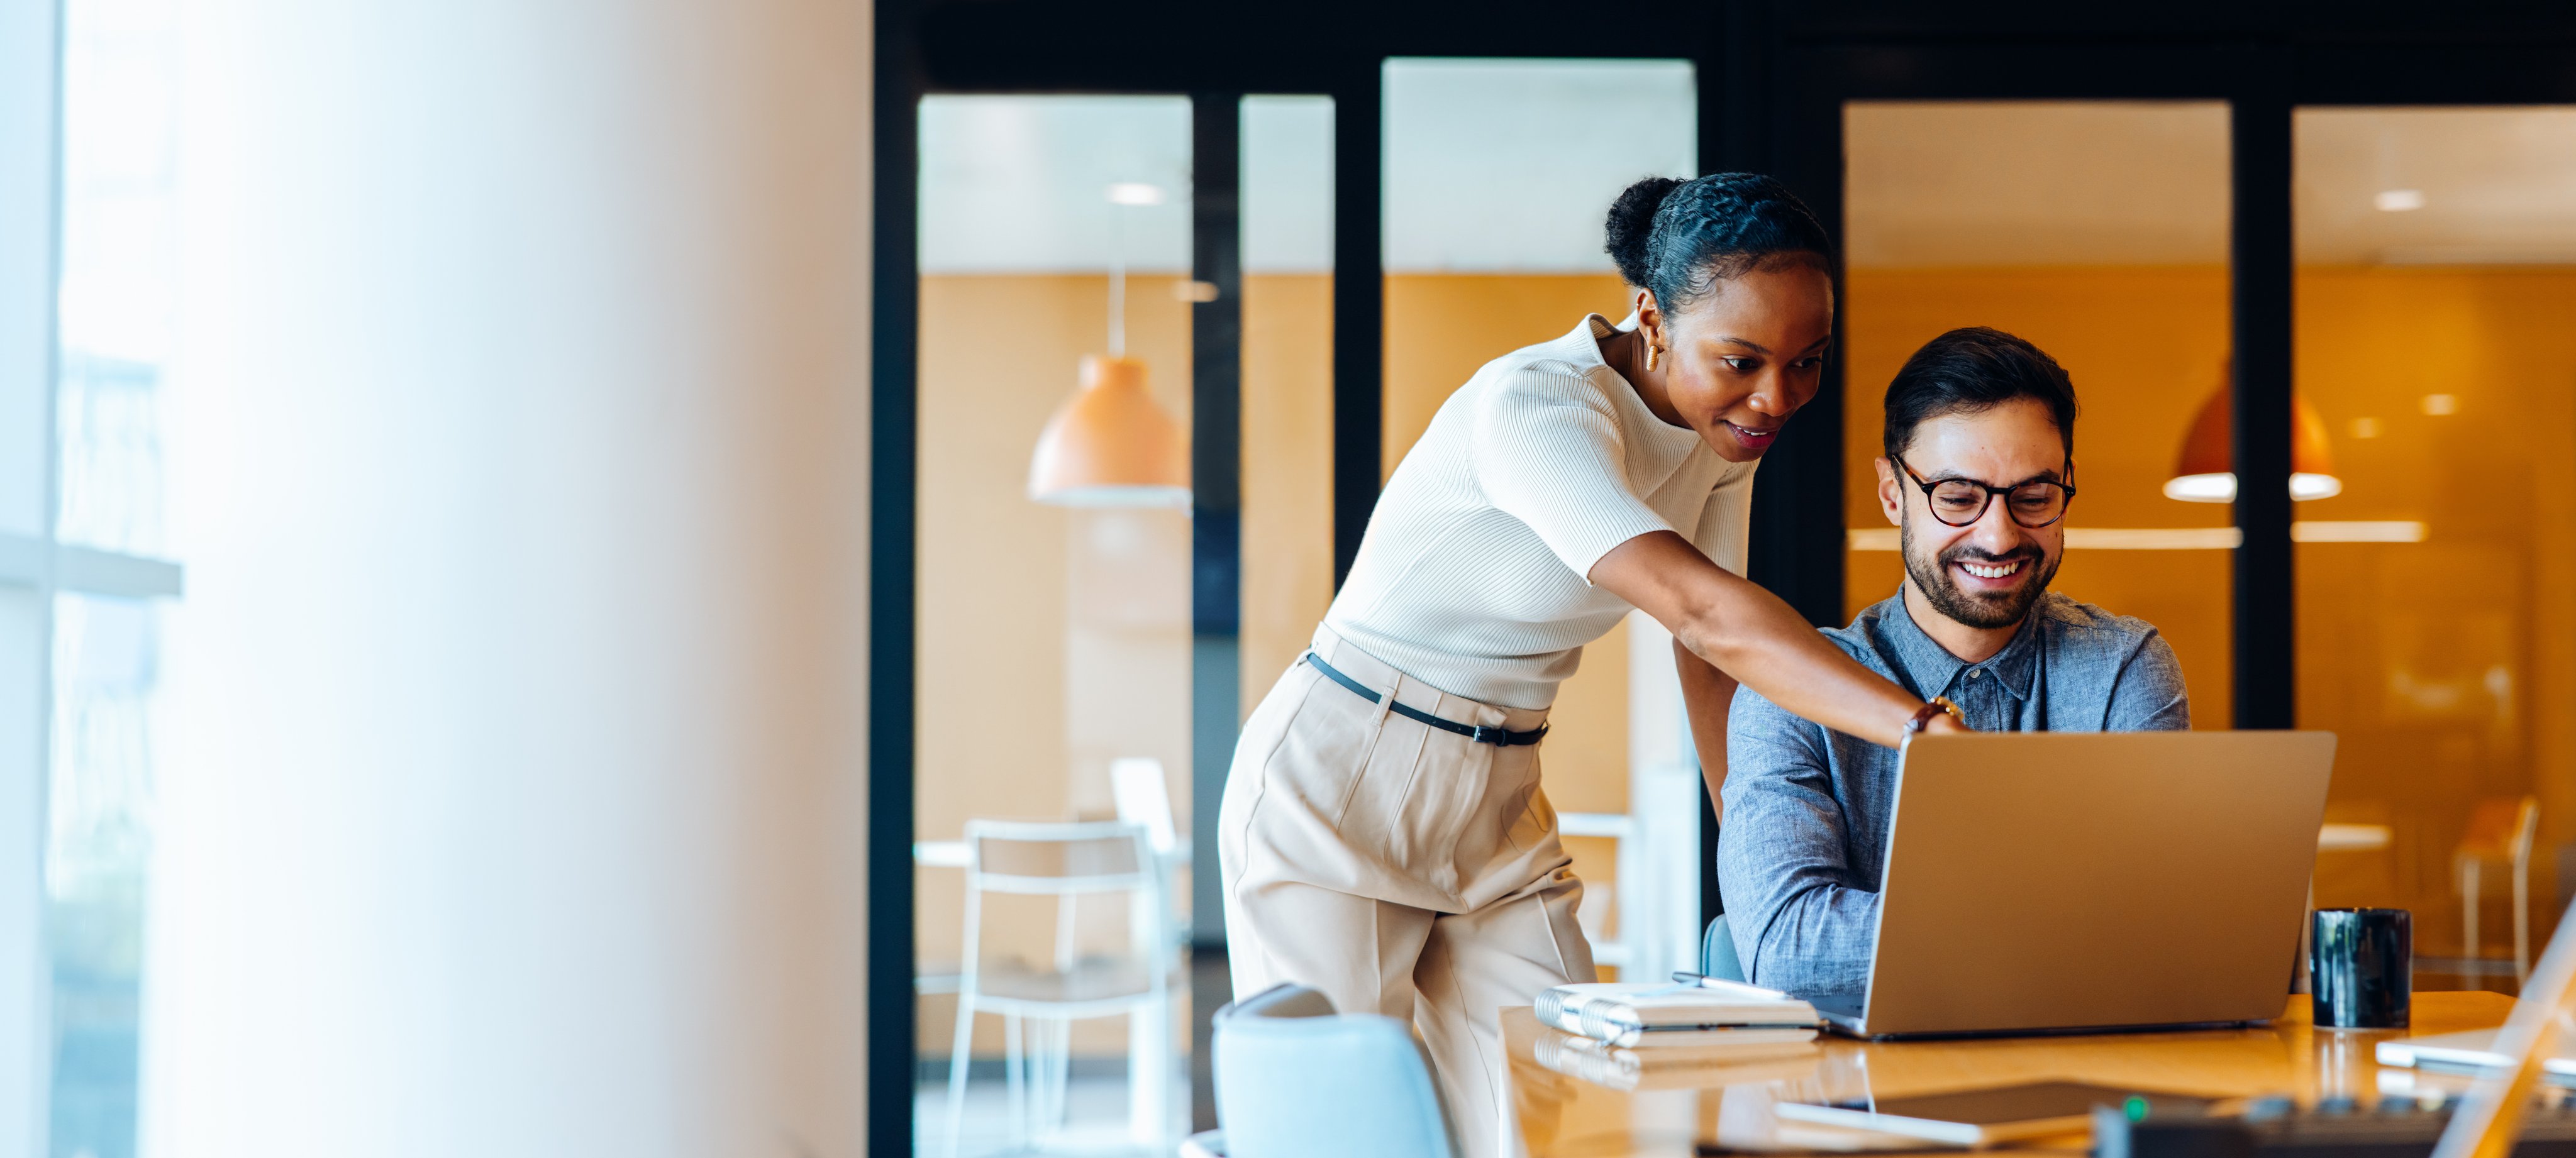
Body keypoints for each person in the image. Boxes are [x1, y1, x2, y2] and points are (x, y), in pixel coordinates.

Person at [1217, 174, 1969, 1158]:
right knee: (1343, 1133)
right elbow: (1703, 612)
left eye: (1807, 362)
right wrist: (1920, 726)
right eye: (1742, 360)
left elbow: (1711, 665)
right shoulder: (1536, 407)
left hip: (1499, 790)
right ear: (1652, 319)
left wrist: (1754, 864)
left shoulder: (1721, 439)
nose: (1775, 397)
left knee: (1570, 1111)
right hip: (1342, 773)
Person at [1716, 326, 2191, 999]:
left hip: (2083, 1085)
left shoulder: (2123, 669)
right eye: (1958, 498)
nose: (1998, 536)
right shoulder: (1787, 692)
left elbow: (2170, 934)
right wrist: (2079, 926)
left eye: (2033, 498)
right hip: (1861, 1099)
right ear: (1891, 494)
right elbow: (1790, 951)